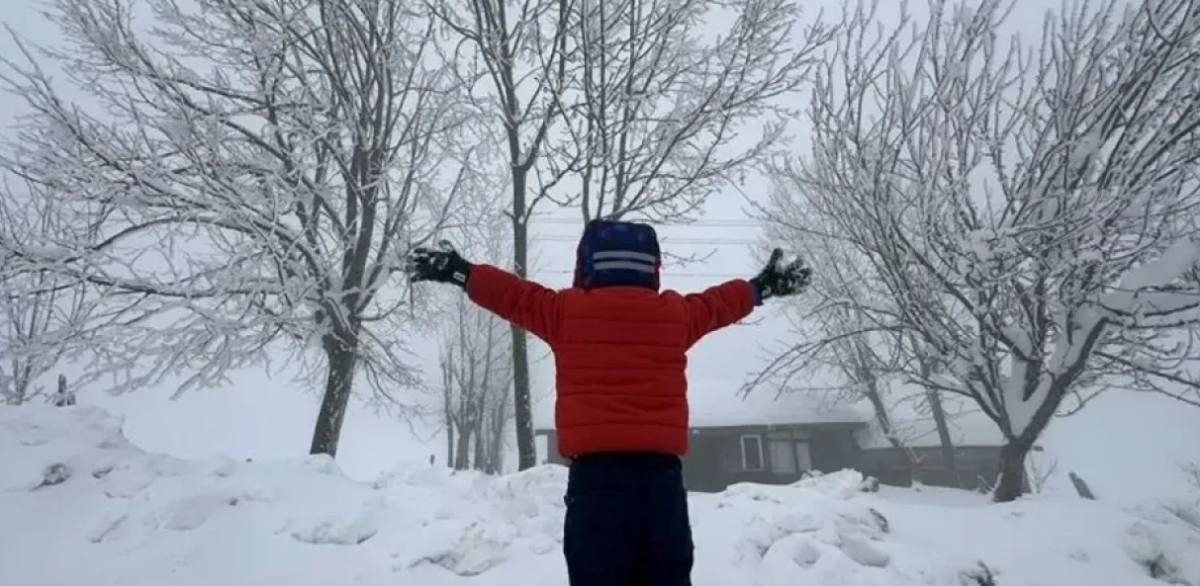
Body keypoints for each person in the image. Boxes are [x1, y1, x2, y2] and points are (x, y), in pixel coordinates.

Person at [404, 219, 811, 586]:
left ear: (587, 265)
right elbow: (719, 303)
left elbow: (513, 296)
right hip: (661, 486)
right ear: (651, 268)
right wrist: (762, 286)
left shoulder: (566, 312)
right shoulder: (674, 314)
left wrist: (460, 271)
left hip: (596, 486)